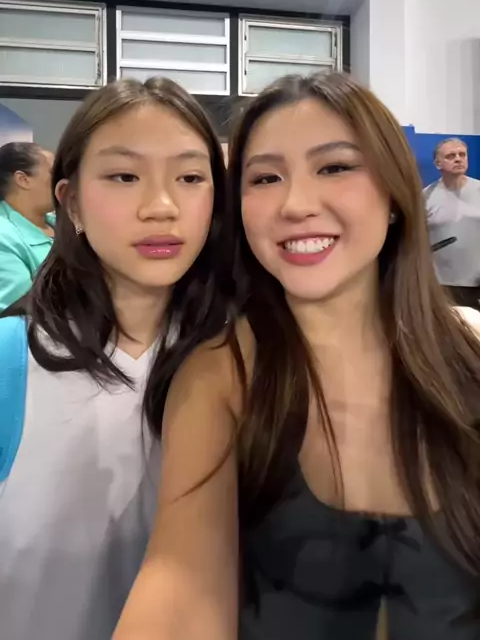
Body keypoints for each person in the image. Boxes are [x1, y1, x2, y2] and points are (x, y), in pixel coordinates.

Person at [114, 73, 480, 640]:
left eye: (334, 167)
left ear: (393, 193)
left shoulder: (470, 351)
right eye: (265, 178)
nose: (296, 204)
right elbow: (181, 588)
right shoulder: (221, 375)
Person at [0, 76, 228, 640]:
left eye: (190, 178)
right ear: (70, 202)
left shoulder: (242, 360)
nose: (162, 207)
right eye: (124, 176)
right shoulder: (12, 361)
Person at [424, 138, 480, 308]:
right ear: (438, 163)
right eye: (451, 156)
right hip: (441, 284)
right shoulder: (425, 197)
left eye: (462, 154)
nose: (458, 159)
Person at [0, 141, 55, 312]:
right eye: (54, 173)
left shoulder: (62, 222)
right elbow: (17, 312)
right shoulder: (4, 237)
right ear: (23, 180)